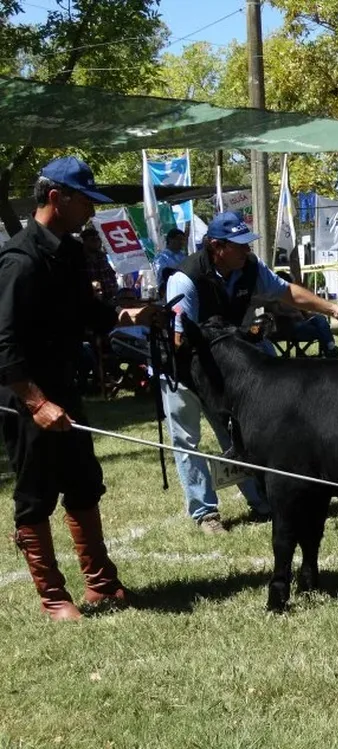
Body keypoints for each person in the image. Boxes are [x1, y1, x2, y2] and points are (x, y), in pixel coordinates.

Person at [0, 156, 158, 620]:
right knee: (35, 494)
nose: (92, 210)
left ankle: (102, 585)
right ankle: (53, 597)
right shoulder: (19, 261)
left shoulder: (70, 251)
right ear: (56, 198)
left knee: (84, 483)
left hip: (64, 388)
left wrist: (122, 315)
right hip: (25, 394)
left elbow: (85, 313)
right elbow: (3, 342)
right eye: (86, 201)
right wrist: (36, 403)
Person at [163, 211, 338, 534]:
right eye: (239, 245)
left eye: (247, 244)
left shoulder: (250, 269)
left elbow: (288, 293)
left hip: (223, 371)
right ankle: (205, 513)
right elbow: (178, 337)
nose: (246, 250)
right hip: (182, 369)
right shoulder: (186, 279)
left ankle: (261, 501)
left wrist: (333, 308)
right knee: (187, 440)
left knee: (237, 433)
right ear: (216, 246)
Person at [265, 271, 338, 358]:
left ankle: (330, 350)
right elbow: (276, 313)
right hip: (289, 327)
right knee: (322, 331)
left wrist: (309, 314)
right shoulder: (273, 297)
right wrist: (292, 315)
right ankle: (330, 350)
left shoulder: (291, 296)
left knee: (320, 318)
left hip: (302, 323)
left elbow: (304, 312)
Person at [80, 227, 118, 301]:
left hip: (110, 297)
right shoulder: (81, 259)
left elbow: (111, 273)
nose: (96, 242)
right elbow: (94, 279)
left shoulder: (102, 256)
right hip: (93, 300)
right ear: (85, 242)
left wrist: (114, 287)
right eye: (93, 240)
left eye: (98, 239)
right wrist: (98, 295)